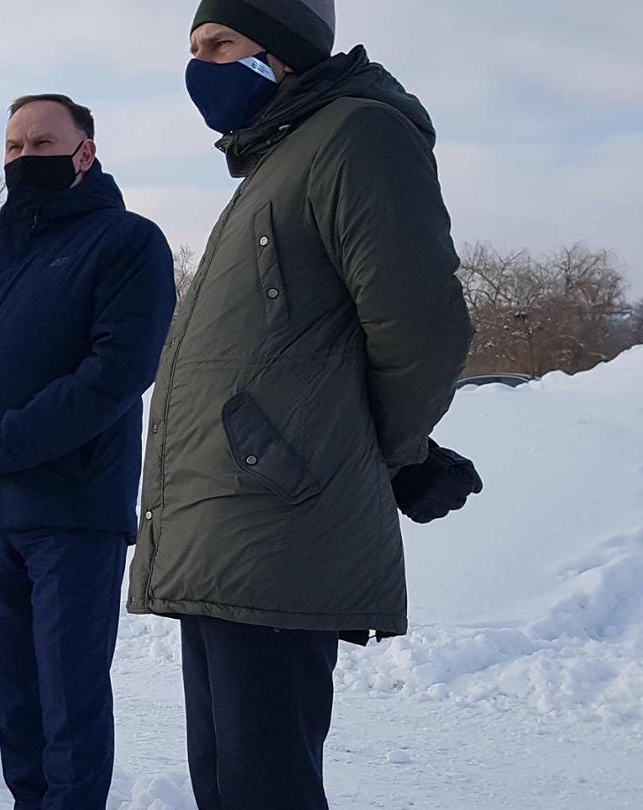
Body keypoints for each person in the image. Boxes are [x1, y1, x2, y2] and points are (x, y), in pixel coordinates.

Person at [129, 3, 481, 808]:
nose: (200, 66)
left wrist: (389, 453)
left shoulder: (357, 135)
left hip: (280, 519)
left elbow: (421, 328)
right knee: (226, 782)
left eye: (220, 44)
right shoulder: (280, 159)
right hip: (227, 527)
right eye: (195, 47)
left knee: (265, 785)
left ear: (283, 51)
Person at [0, 95, 174, 809]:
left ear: (85, 151)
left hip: (72, 509)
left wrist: (9, 444)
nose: (26, 157)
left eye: (44, 143)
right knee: (15, 704)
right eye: (15, 147)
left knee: (69, 704)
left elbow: (117, 371)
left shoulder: (127, 242)